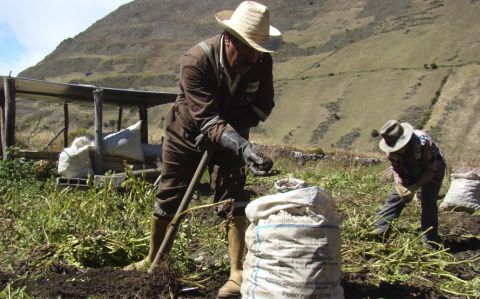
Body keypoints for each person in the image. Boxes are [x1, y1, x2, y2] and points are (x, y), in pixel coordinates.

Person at [126, 1, 281, 297]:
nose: (252, 61)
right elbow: (207, 118)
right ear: (229, 39)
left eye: (257, 54)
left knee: (233, 197)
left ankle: (236, 273)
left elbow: (263, 106)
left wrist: (238, 139)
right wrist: (225, 134)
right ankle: (154, 260)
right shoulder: (196, 60)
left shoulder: (261, 61)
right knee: (171, 196)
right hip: (187, 135)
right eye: (247, 53)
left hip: (233, 138)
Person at [374, 120, 446, 248]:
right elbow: (397, 169)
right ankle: (377, 232)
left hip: (433, 169)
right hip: (410, 170)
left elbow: (432, 169)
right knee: (395, 198)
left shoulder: (423, 142)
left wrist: (415, 186)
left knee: (428, 201)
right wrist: (400, 185)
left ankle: (430, 241)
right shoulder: (391, 150)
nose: (398, 149)